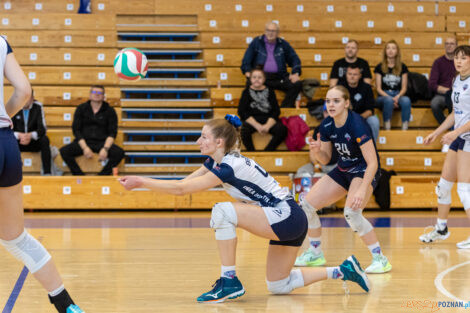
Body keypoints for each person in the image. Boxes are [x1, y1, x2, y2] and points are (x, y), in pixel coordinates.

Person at [119, 115, 370, 303]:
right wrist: (145, 182)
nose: (198, 141)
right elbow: (183, 184)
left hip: (285, 215)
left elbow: (181, 191)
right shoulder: (217, 161)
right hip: (290, 218)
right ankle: (342, 270)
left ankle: (229, 281)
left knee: (222, 211)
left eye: (203, 137)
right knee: (278, 285)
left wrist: (141, 182)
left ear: (219, 141)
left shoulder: (227, 166)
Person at [0, 37, 83, 312]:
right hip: (5, 141)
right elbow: (24, 90)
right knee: (16, 238)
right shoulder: (1, 41)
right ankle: (66, 304)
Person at [294, 86, 392, 274]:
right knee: (306, 206)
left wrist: (363, 189)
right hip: (343, 170)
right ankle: (315, 253)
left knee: (353, 213)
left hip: (363, 170)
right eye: (328, 101)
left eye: (336, 101)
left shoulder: (358, 124)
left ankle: (380, 259)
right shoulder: (326, 125)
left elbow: (373, 162)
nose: (331, 105)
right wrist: (316, 151)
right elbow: (326, 160)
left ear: (347, 103)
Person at [419, 45, 470, 249]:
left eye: (464, 58)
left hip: (468, 138)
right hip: (459, 137)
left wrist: (455, 133)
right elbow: (455, 114)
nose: (458, 61)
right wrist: (437, 132)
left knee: (465, 189)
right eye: (456, 58)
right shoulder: (457, 80)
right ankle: (441, 228)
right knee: (444, 186)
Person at [60, 85, 124, 175]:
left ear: (103, 96)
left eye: (99, 93)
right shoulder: (81, 109)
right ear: (90, 95)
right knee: (64, 151)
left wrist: (105, 149)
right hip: (84, 141)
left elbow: (112, 132)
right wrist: (85, 148)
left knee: (119, 153)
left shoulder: (110, 111)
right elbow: (76, 130)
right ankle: (79, 175)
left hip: (102, 142)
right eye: (94, 92)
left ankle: (102, 176)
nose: (96, 95)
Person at [241, 21, 302, 108]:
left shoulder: (283, 44)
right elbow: (246, 60)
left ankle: (285, 109)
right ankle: (255, 111)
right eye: (268, 30)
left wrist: (295, 73)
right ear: (265, 31)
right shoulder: (256, 42)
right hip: (262, 77)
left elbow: (295, 59)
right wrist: (248, 72)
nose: (270, 33)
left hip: (280, 77)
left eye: (273, 31)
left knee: (297, 84)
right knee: (249, 83)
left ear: (278, 33)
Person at [238, 68, 287, 151]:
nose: (257, 79)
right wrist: (257, 126)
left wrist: (267, 126)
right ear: (250, 79)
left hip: (268, 120)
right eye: (254, 77)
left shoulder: (270, 91)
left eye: (259, 77)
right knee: (242, 130)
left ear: (264, 79)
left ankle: (268, 151)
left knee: (282, 130)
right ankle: (252, 152)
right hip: (252, 121)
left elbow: (276, 111)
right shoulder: (246, 92)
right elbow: (242, 112)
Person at [12, 89, 52, 175]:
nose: (25, 100)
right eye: (24, 97)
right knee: (7, 141)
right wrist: (19, 135)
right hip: (19, 142)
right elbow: (8, 130)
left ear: (32, 98)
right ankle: (10, 174)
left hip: (33, 141)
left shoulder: (38, 107)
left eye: (28, 97)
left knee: (45, 140)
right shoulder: (14, 107)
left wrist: (30, 135)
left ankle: (47, 173)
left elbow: (43, 129)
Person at [375, 40, 412, 130]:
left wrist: (397, 97)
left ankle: (405, 127)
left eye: (393, 48)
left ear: (397, 51)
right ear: (385, 51)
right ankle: (387, 126)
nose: (390, 50)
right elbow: (378, 88)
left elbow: (404, 87)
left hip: (398, 94)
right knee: (388, 100)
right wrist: (390, 98)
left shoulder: (403, 67)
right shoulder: (379, 67)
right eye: (388, 48)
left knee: (406, 100)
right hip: (384, 95)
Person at [340, 64, 380, 141]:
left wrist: (356, 119)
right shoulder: (341, 88)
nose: (352, 76)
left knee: (374, 120)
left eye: (355, 74)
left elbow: (370, 111)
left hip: (362, 118)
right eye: (350, 74)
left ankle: (372, 148)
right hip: (344, 118)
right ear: (346, 75)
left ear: (360, 76)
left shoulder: (367, 88)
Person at [429, 37, 458, 124]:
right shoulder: (438, 62)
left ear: (456, 46)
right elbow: (432, 84)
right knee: (435, 103)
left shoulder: (460, 62)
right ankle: (446, 126)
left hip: (458, 94)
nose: (449, 46)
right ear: (444, 46)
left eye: (452, 44)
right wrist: (448, 91)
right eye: (447, 44)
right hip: (443, 95)